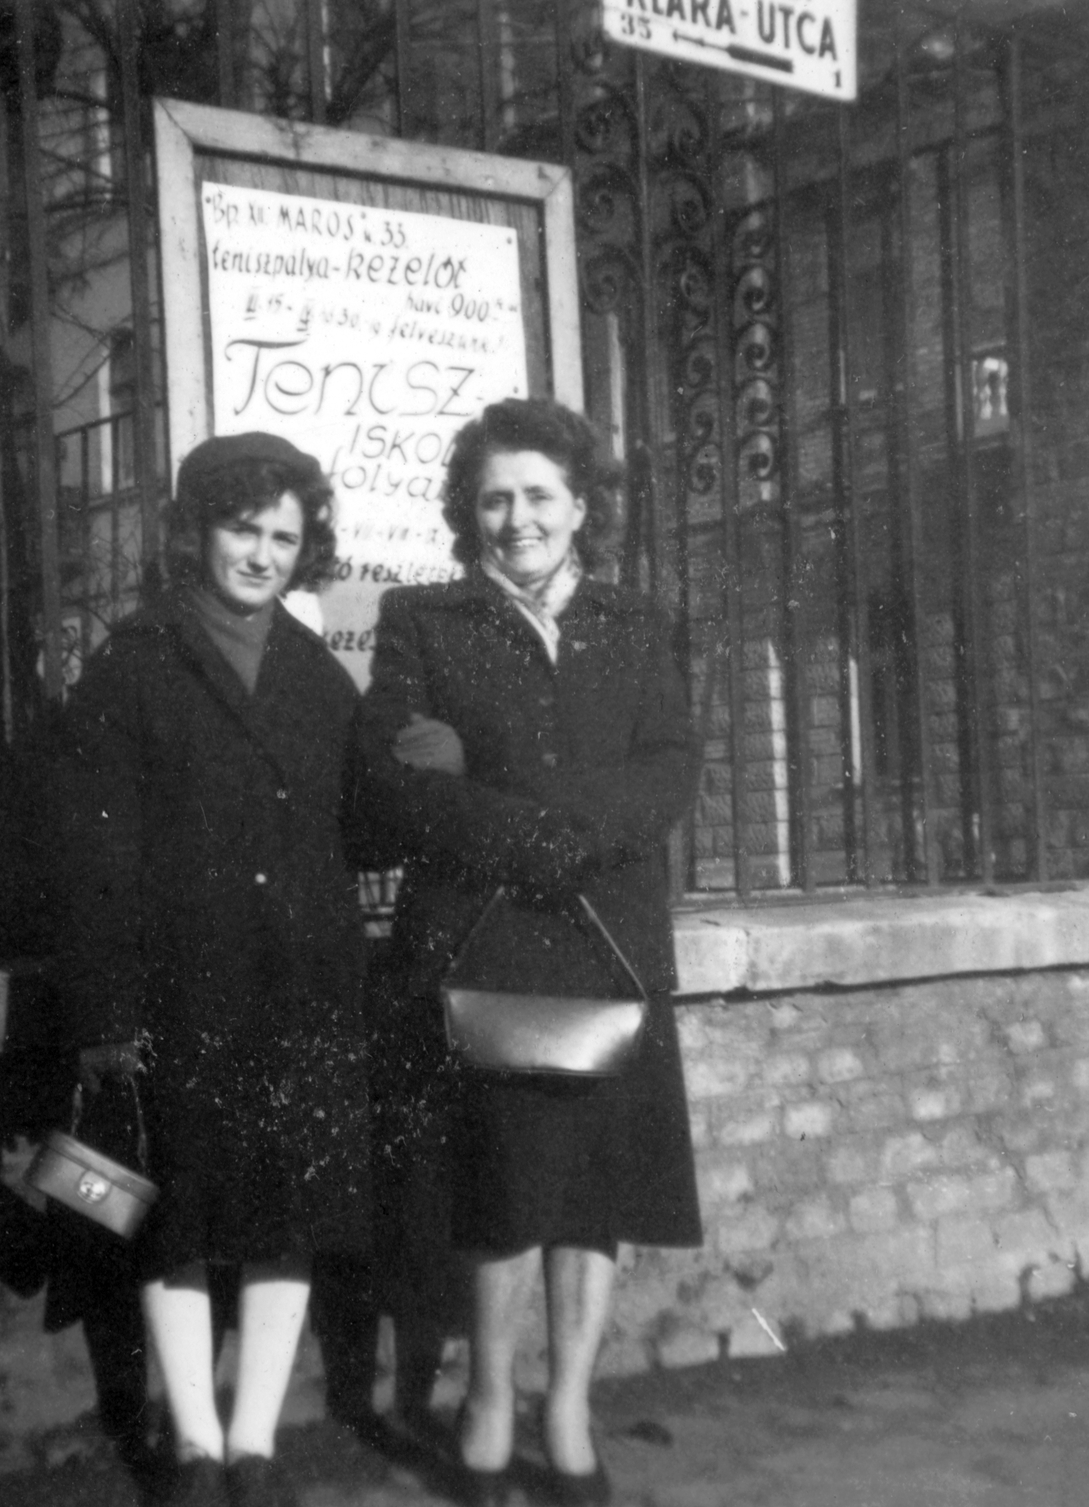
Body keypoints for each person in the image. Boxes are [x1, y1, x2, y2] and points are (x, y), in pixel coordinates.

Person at [354, 398, 703, 1507]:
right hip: (486, 940)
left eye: (539, 496)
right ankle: (490, 1399)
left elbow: (671, 765)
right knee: (500, 1191)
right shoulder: (424, 620)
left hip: (605, 940)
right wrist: (523, 834)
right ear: (471, 510)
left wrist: (556, 824)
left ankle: (569, 1406)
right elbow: (396, 781)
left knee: (592, 1191)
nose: (517, 520)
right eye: (495, 498)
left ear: (581, 505)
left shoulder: (636, 624)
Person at [56, 432, 372, 1507]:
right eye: (243, 529)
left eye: (284, 536)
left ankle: (254, 1444)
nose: (262, 554)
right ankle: (194, 1446)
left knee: (290, 1216)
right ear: (195, 532)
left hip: (304, 988)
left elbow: (362, 824)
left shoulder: (316, 673)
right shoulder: (132, 664)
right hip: (180, 991)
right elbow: (92, 859)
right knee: (178, 1219)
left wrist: (422, 761)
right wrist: (105, 1012)